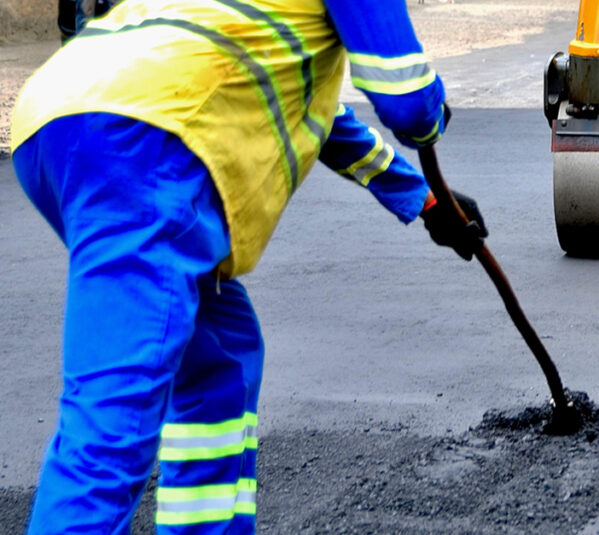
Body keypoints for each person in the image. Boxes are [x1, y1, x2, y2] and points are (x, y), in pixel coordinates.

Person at [11, 0, 487, 532]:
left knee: (222, 354)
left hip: (61, 117)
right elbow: (407, 99)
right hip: (142, 141)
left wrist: (423, 200)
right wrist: (430, 117)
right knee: (112, 422)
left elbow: (327, 123)